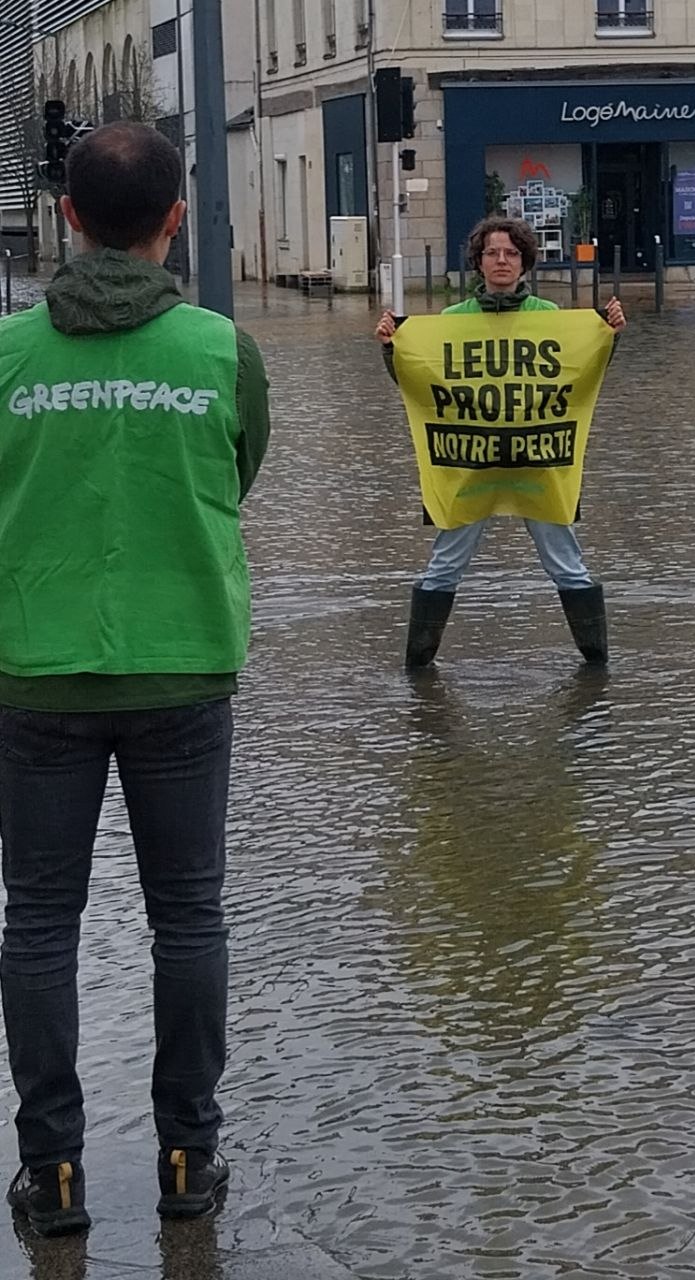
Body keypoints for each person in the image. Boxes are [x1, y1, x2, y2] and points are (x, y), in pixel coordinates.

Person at [0, 122, 270, 1236]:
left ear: (67, 216)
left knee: (39, 927)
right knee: (189, 917)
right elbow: (238, 470)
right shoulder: (221, 350)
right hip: (182, 663)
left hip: (38, 671)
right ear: (173, 220)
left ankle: (53, 1167)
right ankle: (183, 1157)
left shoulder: (9, 354)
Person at [377, 216, 626, 668]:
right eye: (492, 252)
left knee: (567, 564)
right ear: (478, 261)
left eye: (511, 253)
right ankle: (417, 665)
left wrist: (608, 335)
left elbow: (582, 376)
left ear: (525, 261)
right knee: (444, 565)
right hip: (472, 467)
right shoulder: (452, 321)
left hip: (537, 465)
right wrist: (394, 349)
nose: (501, 261)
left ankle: (597, 662)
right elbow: (422, 384)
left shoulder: (551, 319)